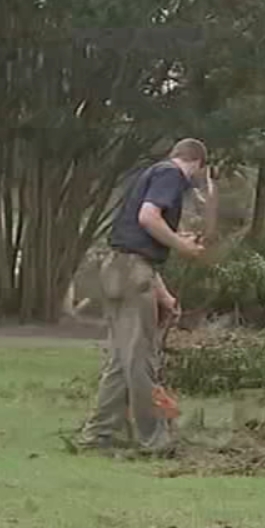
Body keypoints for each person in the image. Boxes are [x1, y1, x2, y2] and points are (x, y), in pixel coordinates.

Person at [75, 138, 213, 454]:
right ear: (198, 164)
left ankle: (98, 436)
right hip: (131, 272)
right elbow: (148, 218)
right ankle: (155, 440)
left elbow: (138, 246)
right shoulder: (173, 175)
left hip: (117, 269)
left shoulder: (153, 172)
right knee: (141, 360)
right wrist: (184, 246)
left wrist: (163, 295)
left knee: (121, 360)